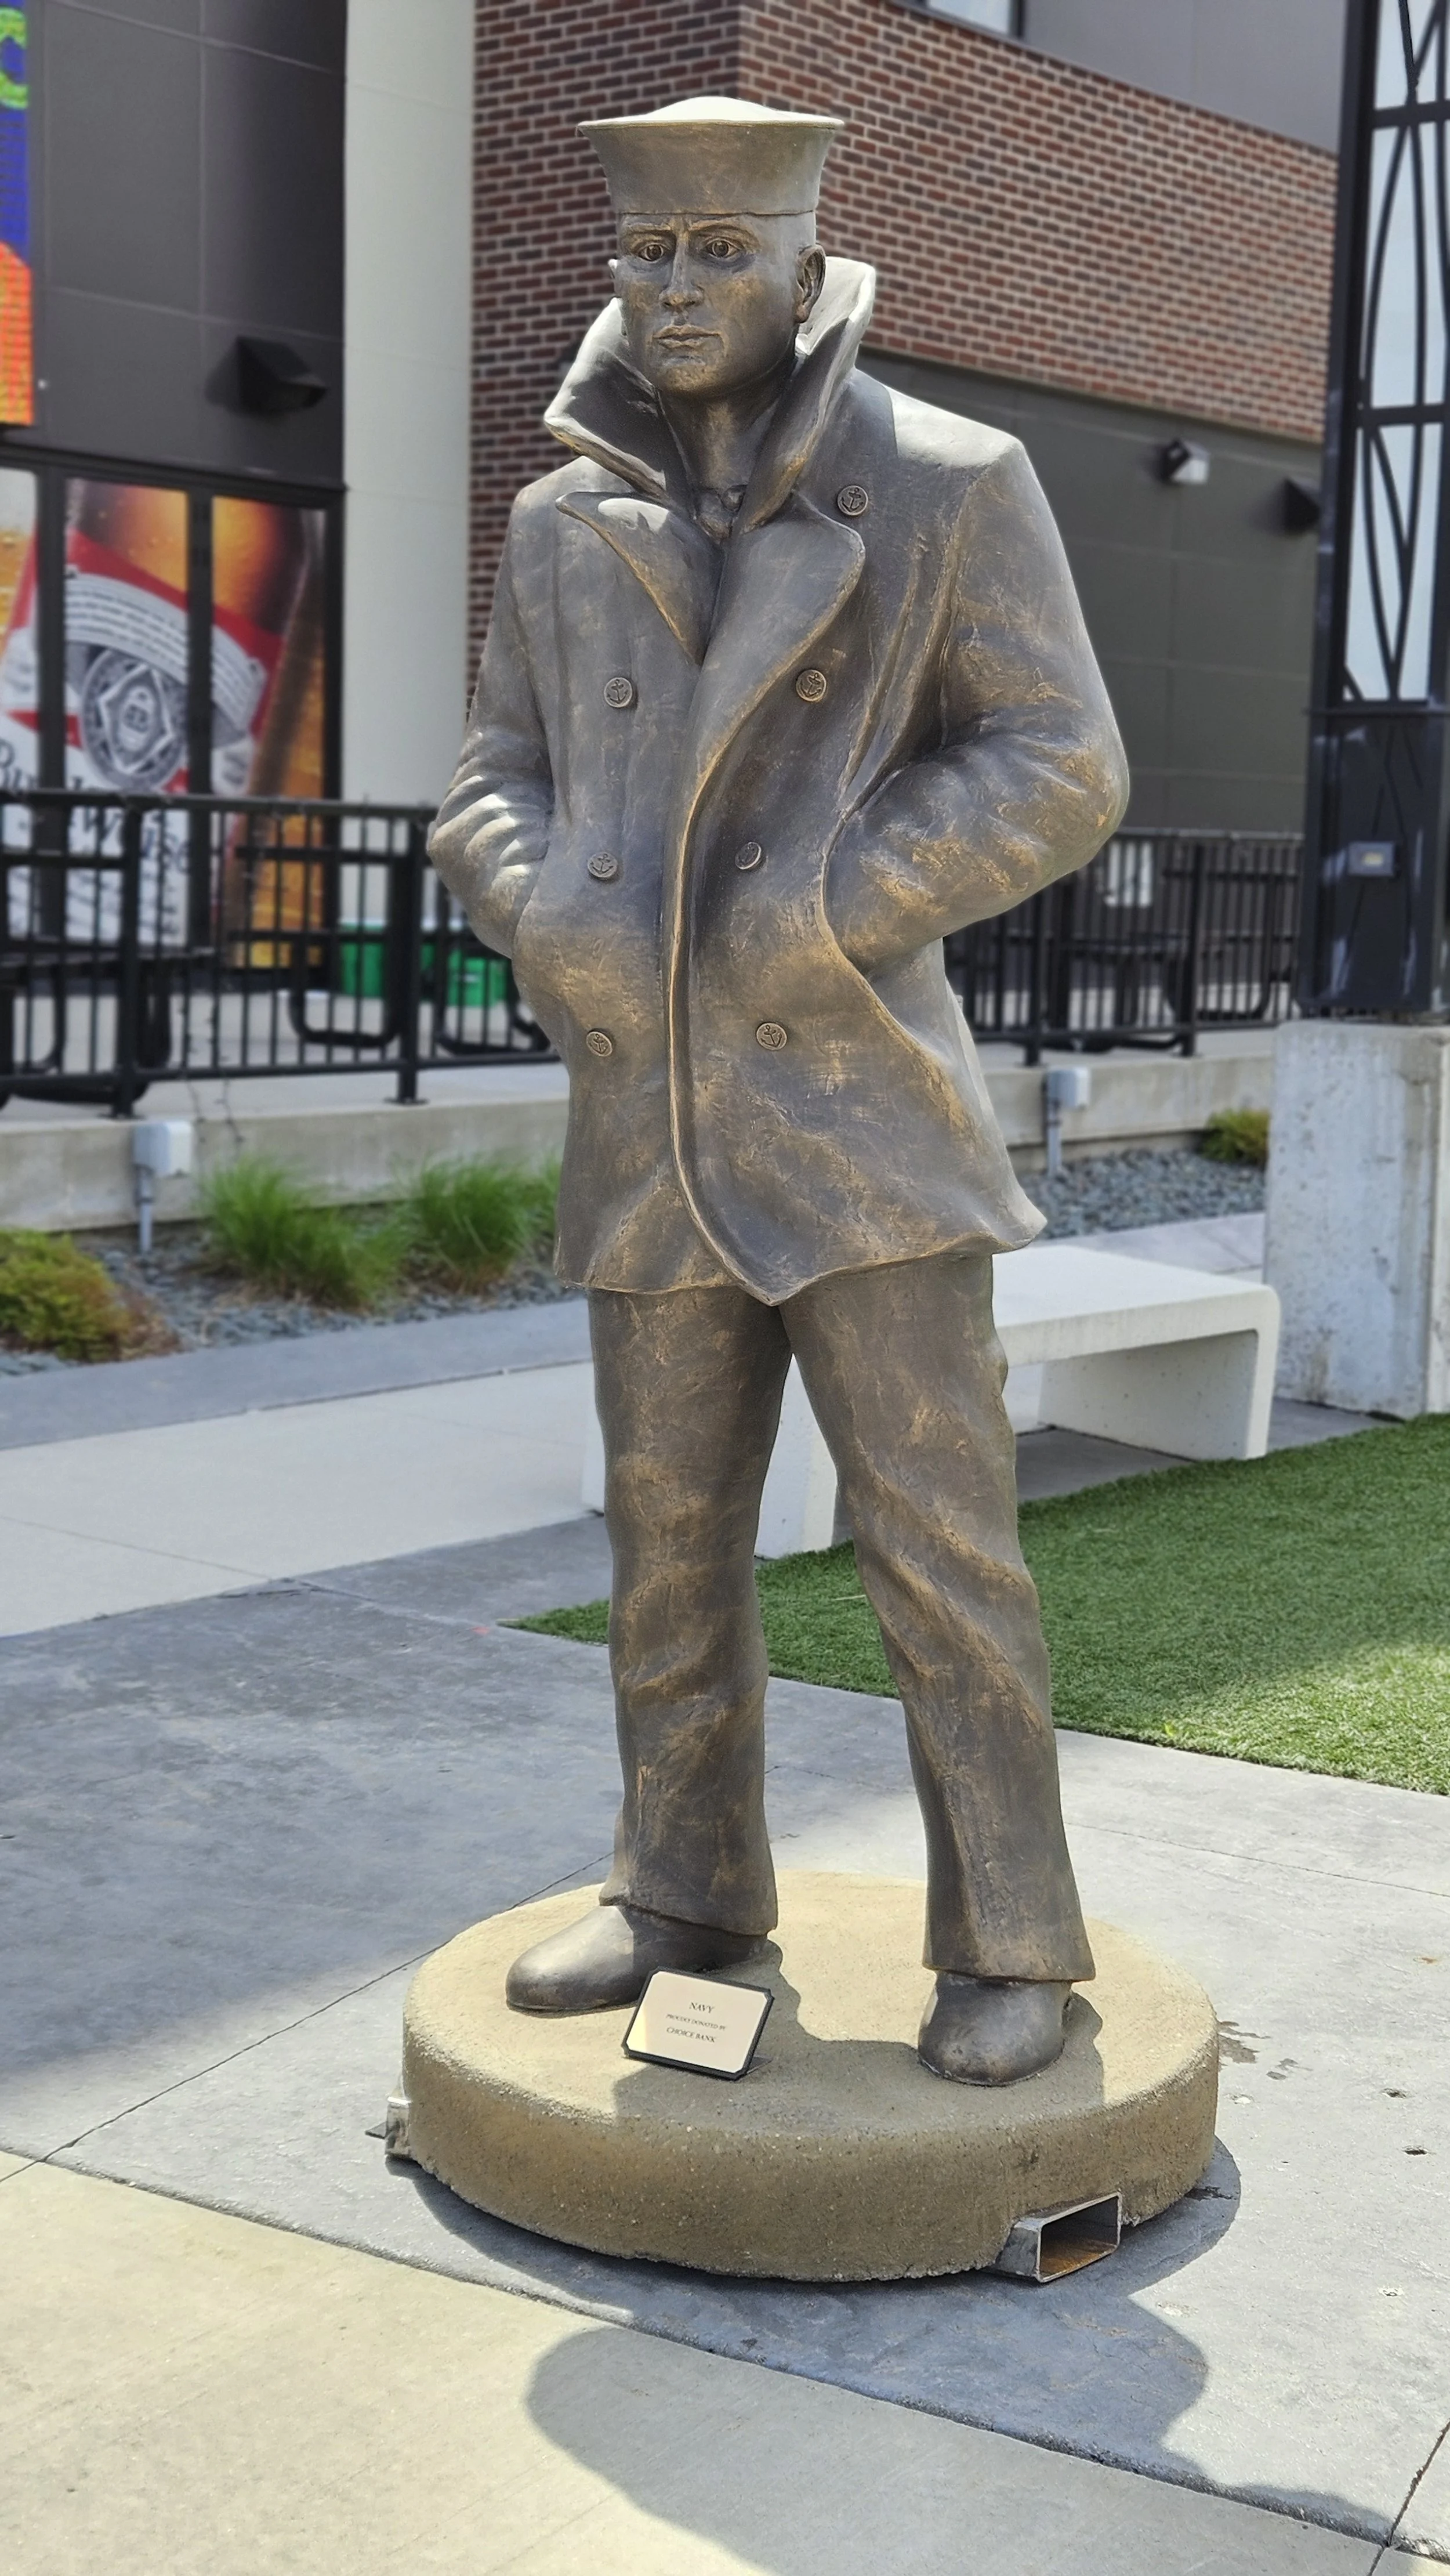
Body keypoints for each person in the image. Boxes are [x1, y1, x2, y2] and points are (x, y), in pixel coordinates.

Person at [430, 96, 1129, 2083]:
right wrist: (542, 906)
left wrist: (816, 907)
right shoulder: (559, 516)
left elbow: (1059, 763)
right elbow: (492, 766)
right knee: (663, 1533)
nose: (670, 290)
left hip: (858, 1114)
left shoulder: (947, 480)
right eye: (645, 254)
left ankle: (1010, 1937)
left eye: (715, 253)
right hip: (646, 1110)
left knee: (938, 1542)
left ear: (805, 263)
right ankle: (679, 1892)